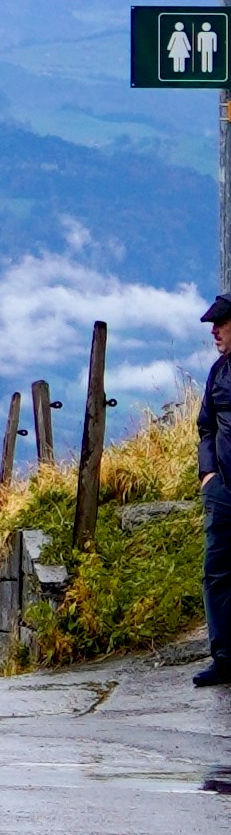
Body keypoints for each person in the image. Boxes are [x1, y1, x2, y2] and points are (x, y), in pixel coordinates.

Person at [199, 298, 231, 744]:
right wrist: (207, 475)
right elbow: (206, 426)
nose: (213, 331)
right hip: (224, 490)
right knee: (217, 571)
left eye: (220, 324)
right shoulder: (218, 374)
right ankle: (224, 657)